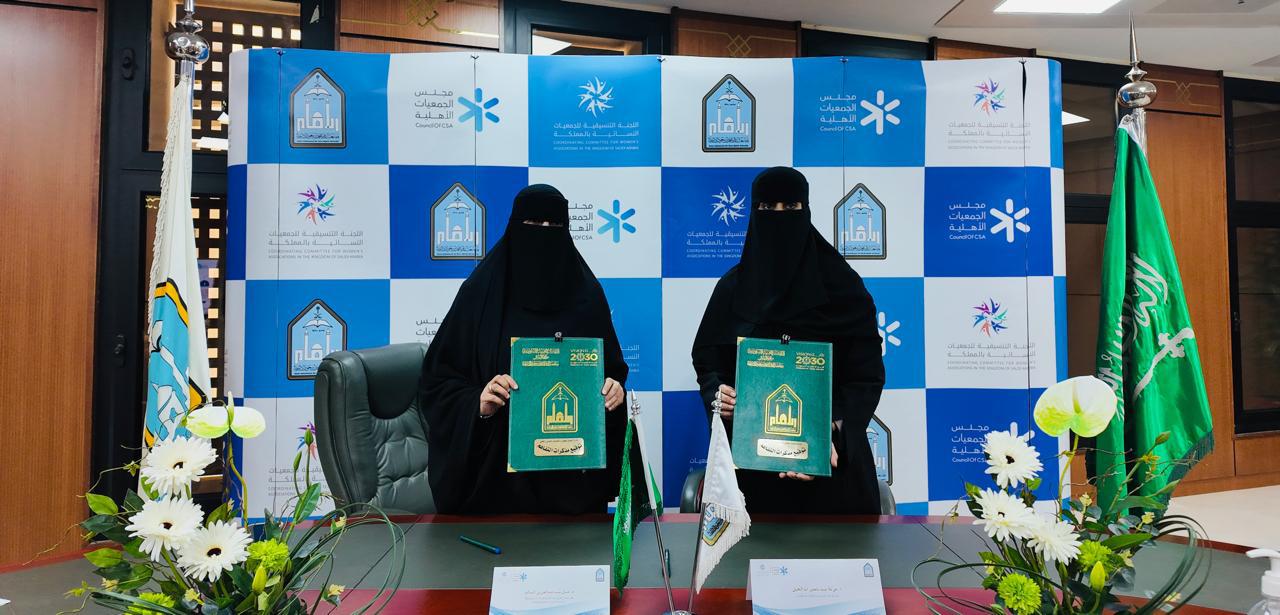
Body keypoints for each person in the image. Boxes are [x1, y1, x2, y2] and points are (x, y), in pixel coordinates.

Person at [420, 184, 628, 514]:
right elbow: (437, 385)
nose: (544, 234)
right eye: (533, 224)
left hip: (574, 495)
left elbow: (611, 374)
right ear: (515, 227)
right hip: (497, 495)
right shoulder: (481, 294)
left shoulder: (588, 296)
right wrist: (478, 404)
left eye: (554, 225)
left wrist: (614, 390)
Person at [691, 167, 886, 514]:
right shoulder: (733, 290)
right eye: (767, 208)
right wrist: (719, 394)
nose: (779, 217)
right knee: (752, 551)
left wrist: (830, 431)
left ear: (806, 210)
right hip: (752, 483)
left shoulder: (844, 289)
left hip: (833, 478)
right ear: (754, 213)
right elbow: (709, 362)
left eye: (791, 207)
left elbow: (865, 377)